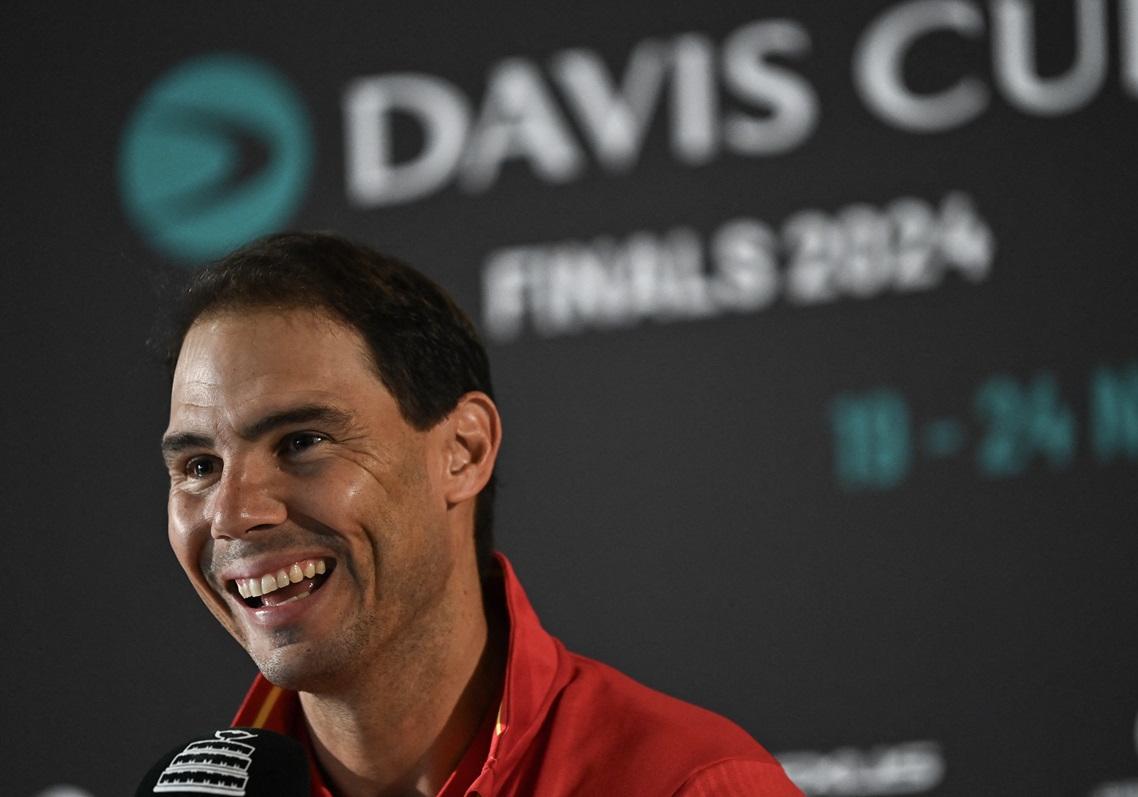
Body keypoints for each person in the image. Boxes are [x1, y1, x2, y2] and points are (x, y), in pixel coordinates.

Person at [160, 232, 802, 796]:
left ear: (463, 452)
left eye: (302, 443)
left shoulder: (689, 785)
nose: (233, 514)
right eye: (198, 467)